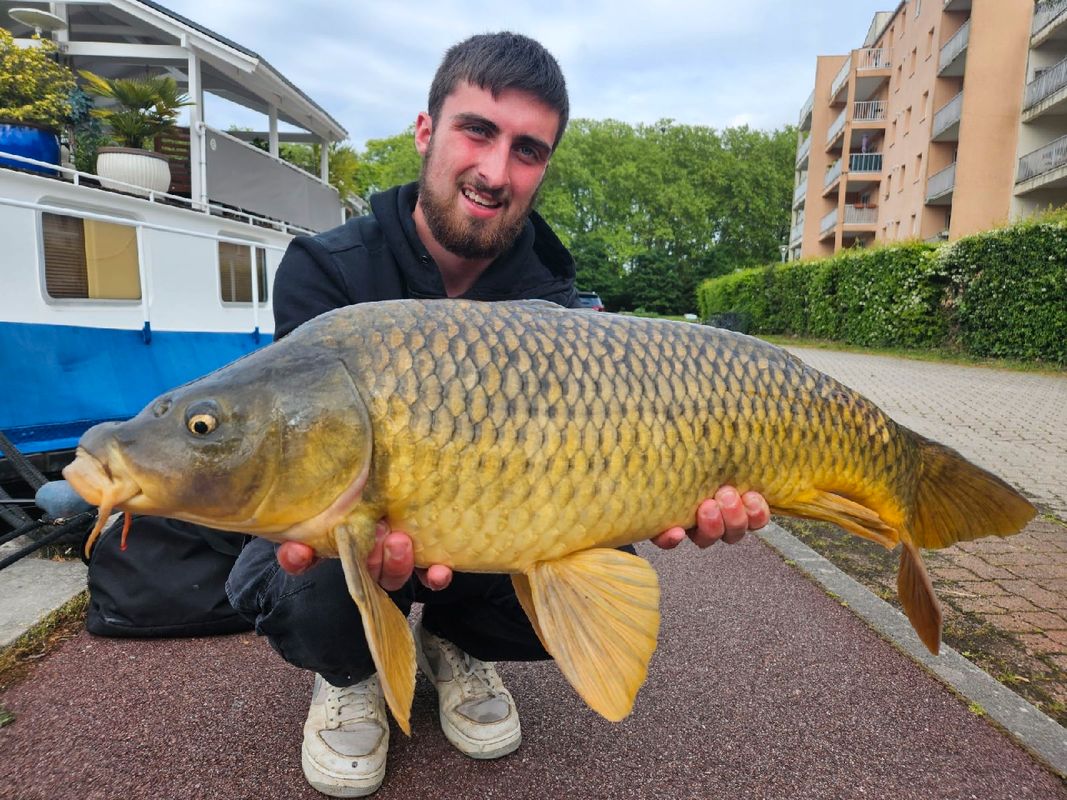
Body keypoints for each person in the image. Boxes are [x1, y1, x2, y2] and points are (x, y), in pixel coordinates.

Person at [225, 32, 770, 798]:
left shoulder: (552, 295)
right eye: (476, 131)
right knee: (289, 551)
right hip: (359, 515)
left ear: (544, 167)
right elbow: (284, 434)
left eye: (526, 150)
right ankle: (349, 671)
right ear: (427, 131)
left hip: (488, 521)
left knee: (597, 541)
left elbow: (590, 467)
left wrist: (663, 497)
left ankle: (452, 645)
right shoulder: (324, 269)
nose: (494, 171)